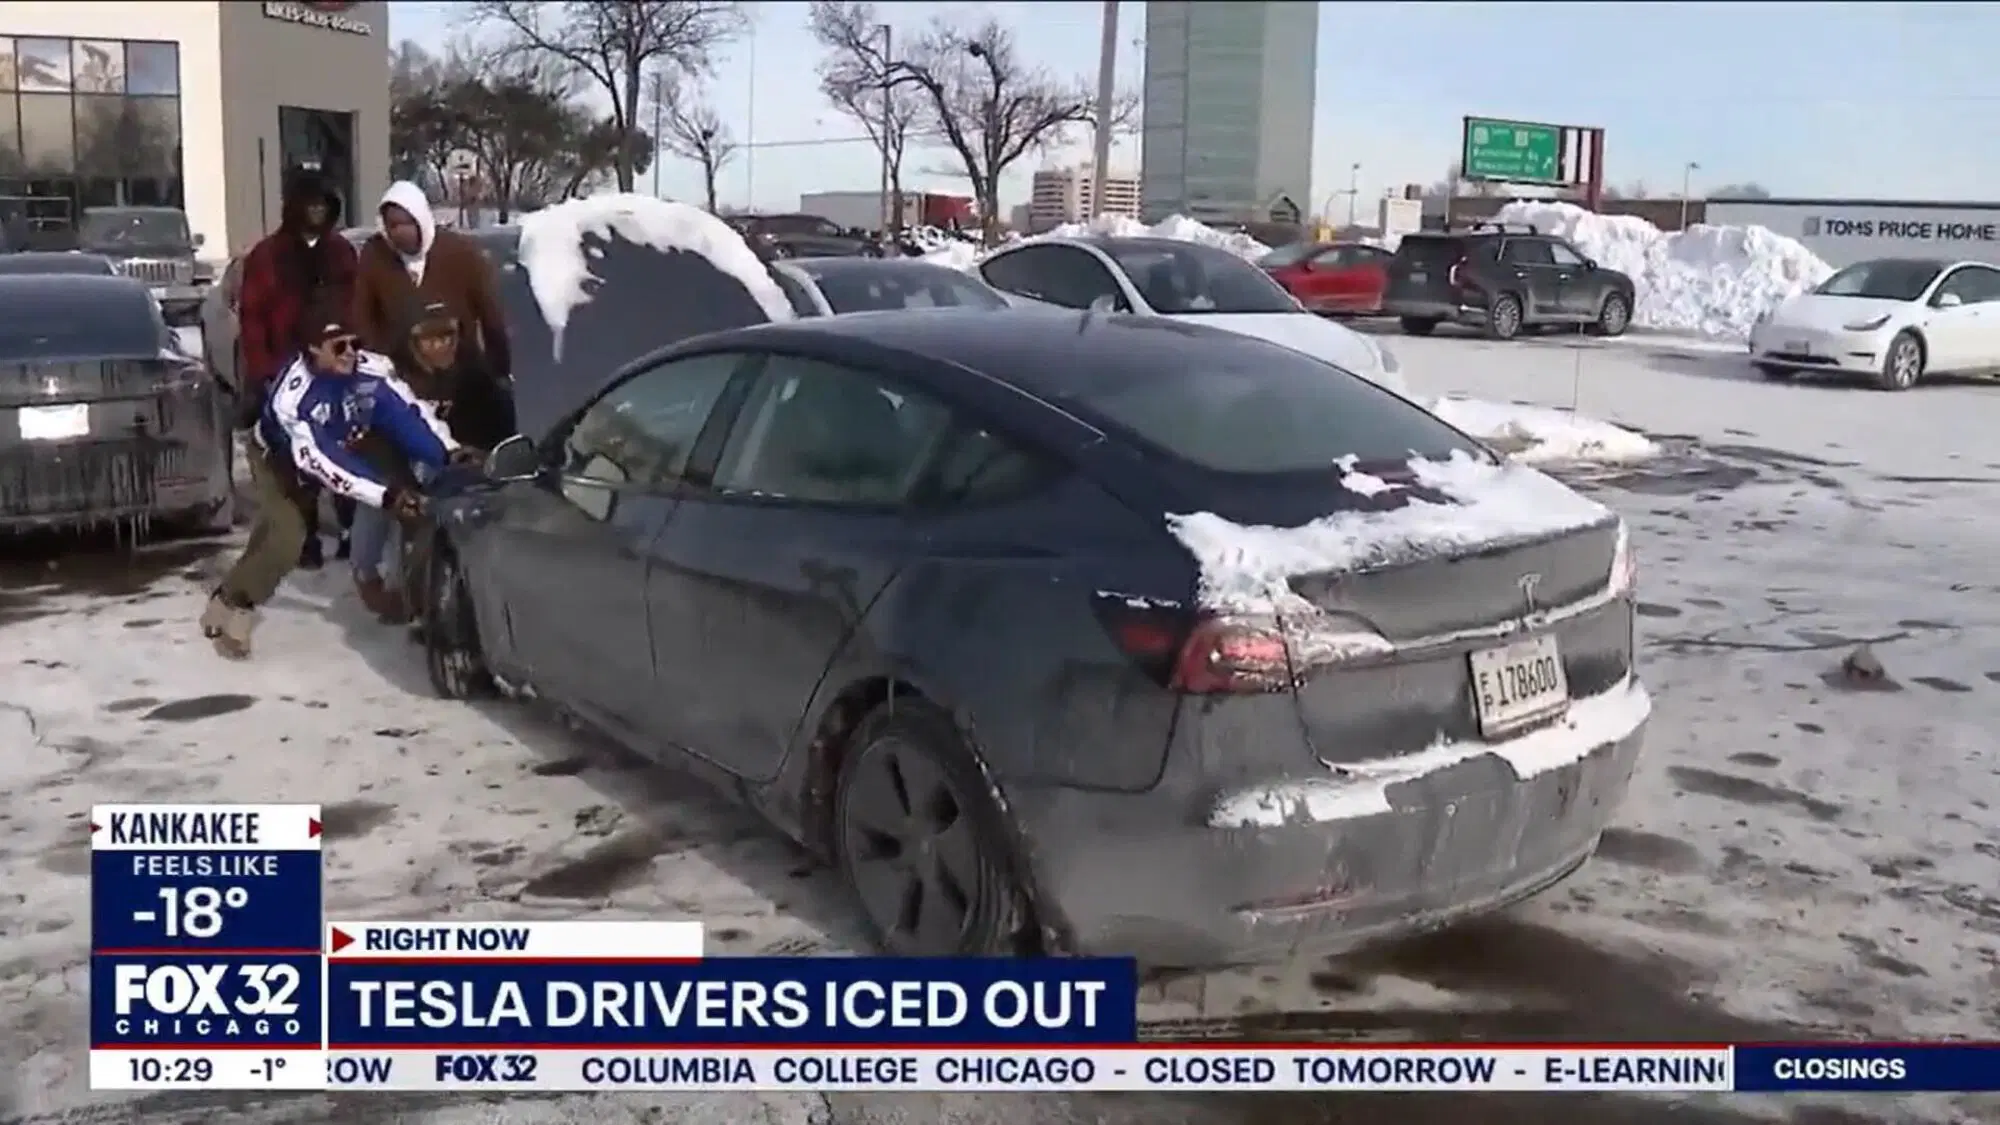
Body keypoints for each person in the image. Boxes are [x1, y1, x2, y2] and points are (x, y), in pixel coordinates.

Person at [198, 300, 475, 659]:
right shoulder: (293, 398)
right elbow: (325, 461)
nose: (351, 353)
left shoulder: (372, 371)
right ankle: (237, 606)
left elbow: (408, 416)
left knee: (275, 533)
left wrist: (447, 453)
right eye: (339, 346)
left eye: (355, 343)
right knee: (288, 535)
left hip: (346, 443)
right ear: (313, 348)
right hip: (281, 461)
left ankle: (415, 604)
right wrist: (386, 495)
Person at [347, 299, 516, 623]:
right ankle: (369, 576)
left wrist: (477, 455)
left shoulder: (476, 378)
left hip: (458, 471)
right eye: (430, 340)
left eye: (447, 338)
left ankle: (418, 595)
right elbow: (374, 436)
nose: (440, 347)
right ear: (414, 342)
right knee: (380, 496)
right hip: (399, 464)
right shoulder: (391, 380)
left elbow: (500, 434)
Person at [235, 170, 359, 569]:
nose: (317, 212)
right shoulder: (268, 256)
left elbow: (356, 306)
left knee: (343, 451)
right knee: (295, 460)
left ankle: (350, 533)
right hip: (288, 369)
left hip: (337, 365)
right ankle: (305, 539)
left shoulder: (341, 252)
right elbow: (252, 317)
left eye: (323, 204)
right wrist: (263, 371)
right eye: (310, 203)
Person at [350, 181, 512, 384]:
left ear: (421, 219)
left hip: (461, 378)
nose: (400, 231)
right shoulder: (375, 255)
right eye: (393, 225)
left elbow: (491, 316)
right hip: (402, 378)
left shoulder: (461, 253)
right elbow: (363, 317)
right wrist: (377, 366)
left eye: (407, 223)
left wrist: (500, 371)